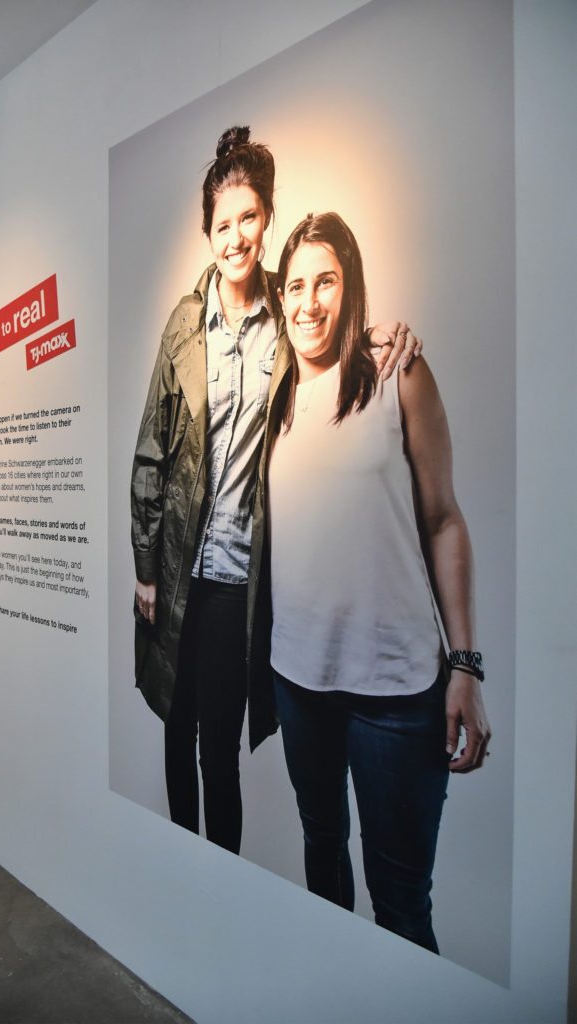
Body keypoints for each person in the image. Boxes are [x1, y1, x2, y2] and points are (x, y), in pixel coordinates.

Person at [130, 128, 421, 855]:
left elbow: (332, 342)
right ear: (207, 232)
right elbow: (150, 452)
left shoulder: (287, 319)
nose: (236, 236)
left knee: (217, 751)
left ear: (266, 219)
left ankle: (216, 887)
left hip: (237, 580)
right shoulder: (182, 325)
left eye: (249, 218)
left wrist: (380, 336)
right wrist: (143, 571)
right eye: (222, 224)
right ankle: (178, 862)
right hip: (173, 566)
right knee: (176, 723)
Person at [266, 211, 491, 951]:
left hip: (396, 695)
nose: (308, 302)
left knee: (399, 909)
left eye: (325, 280)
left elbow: (445, 521)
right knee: (323, 864)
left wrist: (465, 665)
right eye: (295, 284)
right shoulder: (278, 395)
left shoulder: (399, 373)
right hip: (298, 683)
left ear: (349, 284)